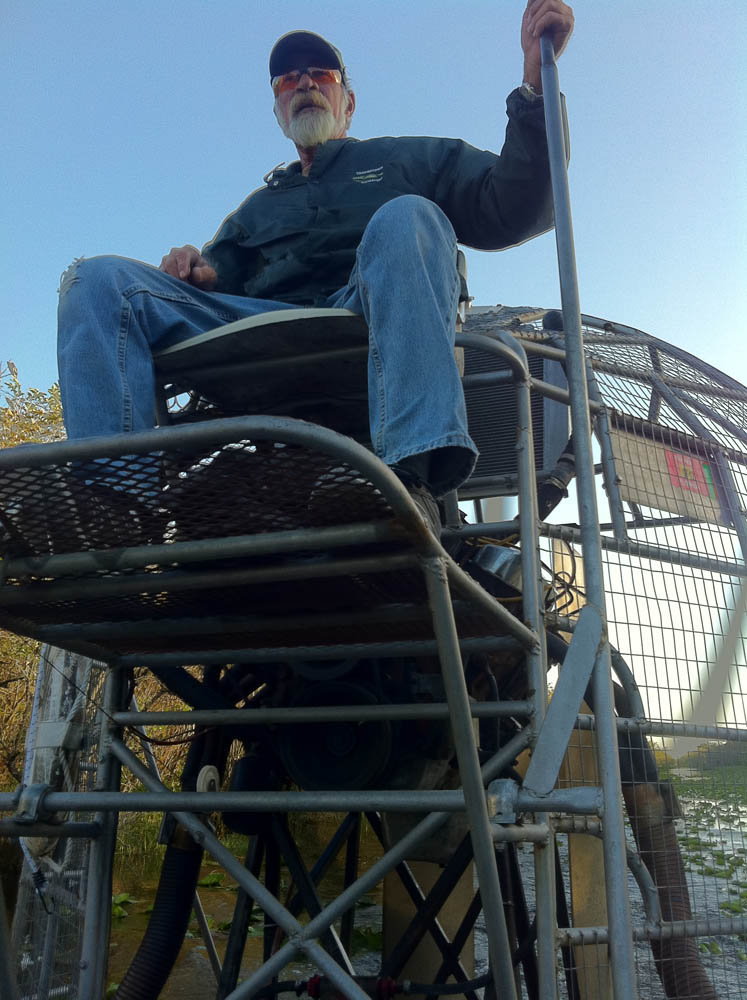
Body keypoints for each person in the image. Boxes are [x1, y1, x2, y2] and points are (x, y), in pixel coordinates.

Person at [56, 0, 574, 532]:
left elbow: (517, 207)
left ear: (348, 102)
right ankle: (110, 505)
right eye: (287, 80)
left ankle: (409, 480)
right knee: (96, 280)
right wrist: (191, 267)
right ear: (279, 111)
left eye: (321, 74)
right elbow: (212, 280)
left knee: (408, 215)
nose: (303, 83)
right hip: (262, 343)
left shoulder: (411, 159)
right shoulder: (256, 209)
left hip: (368, 322)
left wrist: (535, 88)